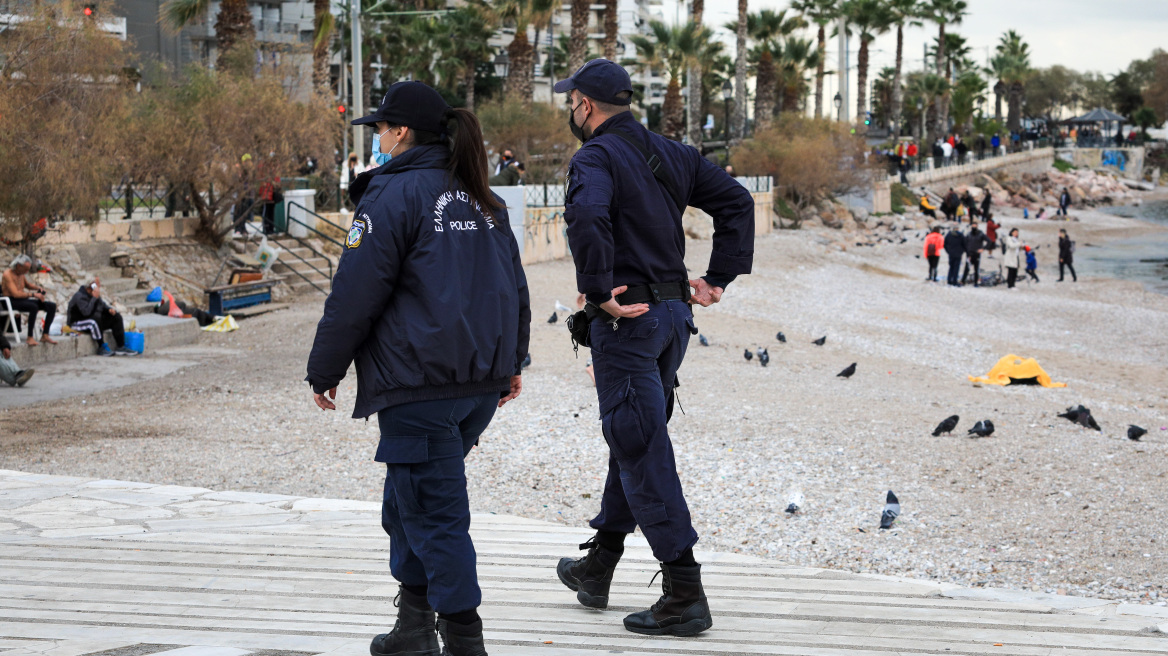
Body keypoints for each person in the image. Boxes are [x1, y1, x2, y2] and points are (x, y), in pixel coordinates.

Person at [305, 81, 531, 656]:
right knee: (408, 498)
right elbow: (515, 288)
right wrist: (513, 363)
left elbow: (355, 291)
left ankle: (463, 639)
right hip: (476, 384)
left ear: (400, 132)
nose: (377, 139)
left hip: (421, 383)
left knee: (435, 512)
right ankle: (412, 625)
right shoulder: (483, 198)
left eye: (380, 128)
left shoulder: (393, 196)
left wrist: (324, 367)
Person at [554, 59, 754, 638]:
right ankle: (600, 565)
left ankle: (683, 591)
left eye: (572, 103)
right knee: (635, 432)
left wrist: (596, 293)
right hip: (673, 319)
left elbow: (587, 214)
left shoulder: (594, 157)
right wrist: (717, 278)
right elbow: (737, 203)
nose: (571, 110)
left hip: (630, 320)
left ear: (585, 106)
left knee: (639, 444)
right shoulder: (676, 153)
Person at [1, 255, 57, 347]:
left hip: (22, 300)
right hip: (11, 301)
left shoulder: (21, 274)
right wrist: (34, 295)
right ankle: (30, 337)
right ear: (19, 266)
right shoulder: (8, 274)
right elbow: (15, 294)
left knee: (51, 306)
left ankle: (45, 335)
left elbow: (28, 285)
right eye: (26, 269)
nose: (27, 271)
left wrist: (38, 288)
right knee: (33, 307)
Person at [68, 282, 135, 356]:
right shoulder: (79, 297)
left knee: (116, 317)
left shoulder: (94, 296)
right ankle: (101, 347)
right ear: (89, 290)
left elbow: (102, 305)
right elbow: (86, 313)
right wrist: (94, 298)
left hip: (92, 319)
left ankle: (121, 346)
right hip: (77, 322)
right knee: (94, 321)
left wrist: (109, 310)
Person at [962, 221, 988, 286]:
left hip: (977, 254)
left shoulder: (981, 234)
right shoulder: (969, 234)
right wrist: (966, 251)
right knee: (967, 268)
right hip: (969, 254)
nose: (974, 227)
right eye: (972, 225)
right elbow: (965, 243)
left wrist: (983, 248)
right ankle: (963, 281)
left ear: (977, 226)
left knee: (976, 269)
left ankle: (976, 282)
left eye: (975, 225)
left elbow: (989, 241)